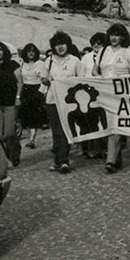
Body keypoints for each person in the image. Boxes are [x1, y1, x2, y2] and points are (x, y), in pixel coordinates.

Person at [93, 23, 130, 173]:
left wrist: (123, 83)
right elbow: (95, 70)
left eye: (117, 35)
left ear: (123, 37)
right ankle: (116, 157)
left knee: (116, 127)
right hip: (104, 93)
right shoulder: (102, 51)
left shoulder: (128, 52)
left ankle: (110, 161)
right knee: (109, 126)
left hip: (121, 95)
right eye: (112, 34)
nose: (114, 38)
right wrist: (100, 78)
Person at [40, 32, 85, 174]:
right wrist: (45, 80)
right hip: (52, 100)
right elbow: (44, 78)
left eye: (62, 44)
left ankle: (63, 161)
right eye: (57, 44)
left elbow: (81, 80)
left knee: (66, 130)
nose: (60, 47)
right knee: (56, 131)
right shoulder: (49, 61)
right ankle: (58, 160)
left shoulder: (75, 61)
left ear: (68, 44)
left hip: (69, 102)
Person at [80, 33, 108, 159]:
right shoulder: (86, 58)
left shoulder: (108, 57)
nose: (96, 45)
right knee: (90, 121)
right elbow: (82, 74)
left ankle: (104, 148)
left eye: (99, 42)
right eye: (94, 43)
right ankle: (90, 148)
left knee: (105, 121)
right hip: (89, 93)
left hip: (104, 93)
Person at [19, 43, 47, 150]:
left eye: (33, 51)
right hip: (25, 90)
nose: (31, 53)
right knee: (26, 115)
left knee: (34, 115)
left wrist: (40, 93)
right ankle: (28, 137)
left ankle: (32, 139)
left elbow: (44, 80)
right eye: (28, 51)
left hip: (36, 91)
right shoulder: (22, 64)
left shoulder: (40, 64)